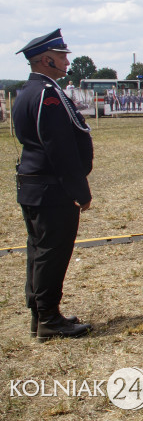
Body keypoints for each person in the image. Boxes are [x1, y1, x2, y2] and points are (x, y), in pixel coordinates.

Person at [14, 29, 92, 341]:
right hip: (50, 188)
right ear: (47, 59)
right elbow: (59, 147)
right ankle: (48, 318)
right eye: (61, 56)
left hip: (36, 185)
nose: (66, 61)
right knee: (52, 252)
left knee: (39, 250)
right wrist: (79, 189)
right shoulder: (46, 94)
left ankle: (41, 314)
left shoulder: (29, 91)